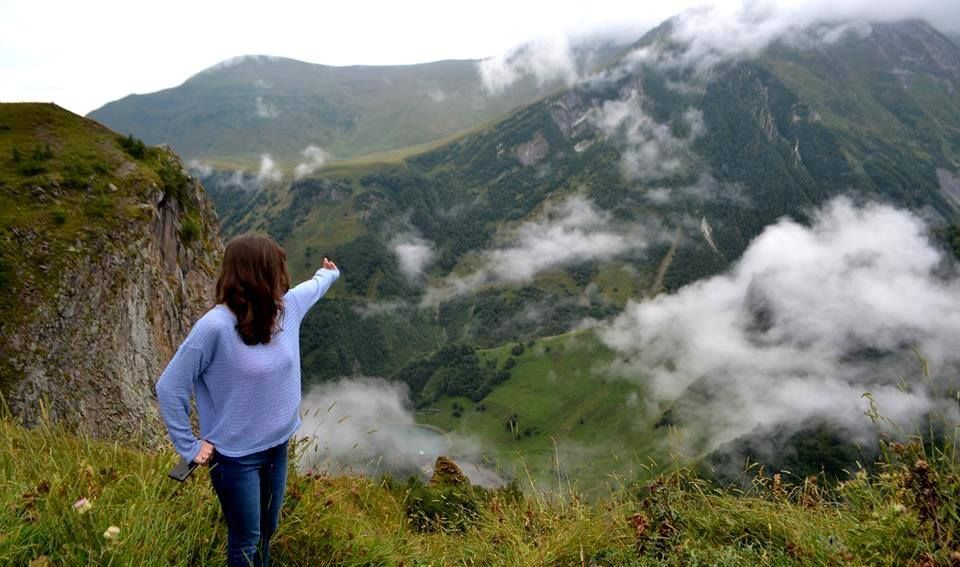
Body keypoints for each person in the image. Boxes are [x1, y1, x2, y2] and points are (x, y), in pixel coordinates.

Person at [155, 234, 339, 567]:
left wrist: (329, 273)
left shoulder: (285, 309)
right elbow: (170, 386)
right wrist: (189, 446)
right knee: (246, 539)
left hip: (277, 446)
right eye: (277, 269)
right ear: (259, 274)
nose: (283, 276)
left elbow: (314, 287)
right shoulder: (214, 327)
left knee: (268, 529)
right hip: (236, 457)